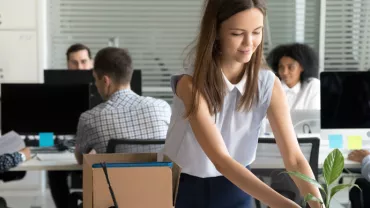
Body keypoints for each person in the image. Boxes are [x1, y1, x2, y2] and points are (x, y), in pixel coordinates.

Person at [163, 0, 323, 208]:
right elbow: (221, 160)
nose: (249, 43)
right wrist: (286, 205)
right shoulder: (190, 85)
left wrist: (318, 205)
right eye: (237, 34)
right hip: (183, 189)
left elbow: (294, 158)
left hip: (238, 187)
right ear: (216, 32)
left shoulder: (269, 84)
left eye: (257, 32)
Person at [74, 47, 171, 161]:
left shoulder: (90, 118)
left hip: (114, 179)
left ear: (106, 81)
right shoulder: (162, 107)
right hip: (158, 179)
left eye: (96, 79)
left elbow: (80, 159)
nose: (95, 85)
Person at [48, 43, 94, 208]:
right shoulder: (57, 88)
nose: (80, 67)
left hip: (93, 147)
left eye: (83, 61)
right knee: (53, 171)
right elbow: (46, 126)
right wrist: (43, 143)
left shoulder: (103, 87)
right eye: (74, 63)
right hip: (64, 144)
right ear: (67, 64)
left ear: (91, 62)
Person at [266, 43, 320, 110]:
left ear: (302, 67)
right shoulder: (270, 87)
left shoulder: (313, 85)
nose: (284, 72)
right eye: (281, 67)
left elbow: (314, 116)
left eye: (291, 67)